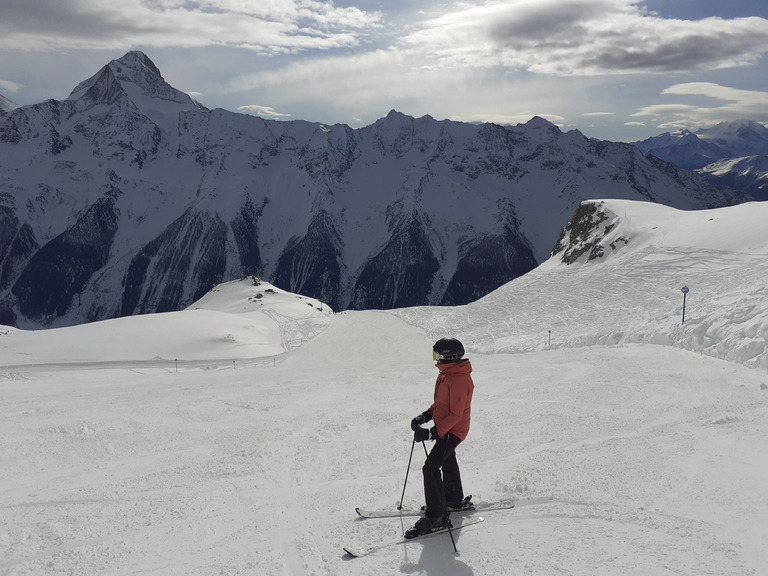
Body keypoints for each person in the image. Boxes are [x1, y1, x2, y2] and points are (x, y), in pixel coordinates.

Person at [406, 337, 474, 538]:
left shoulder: (460, 379)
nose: (435, 359)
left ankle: (436, 516)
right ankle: (452, 498)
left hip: (453, 430)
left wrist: (432, 433)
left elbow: (456, 414)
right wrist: (424, 416)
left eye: (437, 355)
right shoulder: (446, 374)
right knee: (447, 460)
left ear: (448, 356)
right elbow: (440, 404)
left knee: (430, 467)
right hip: (445, 427)